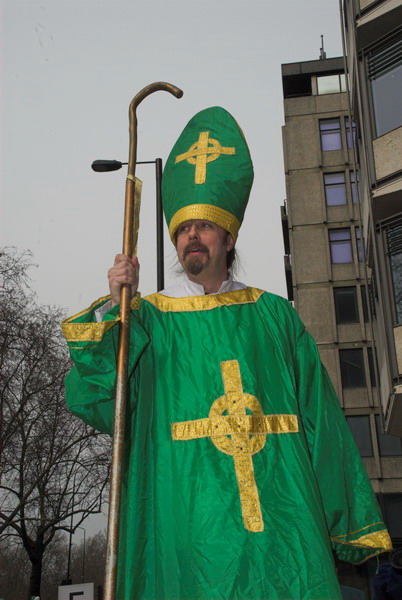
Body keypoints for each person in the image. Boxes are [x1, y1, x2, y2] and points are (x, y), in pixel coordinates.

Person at [62, 107, 392, 600]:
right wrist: (115, 307)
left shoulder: (274, 317)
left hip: (280, 530)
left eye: (203, 226)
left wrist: (345, 518)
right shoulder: (148, 321)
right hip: (183, 525)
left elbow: (320, 418)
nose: (190, 235)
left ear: (229, 237)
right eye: (182, 229)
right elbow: (96, 397)